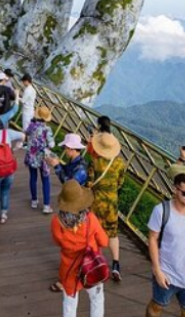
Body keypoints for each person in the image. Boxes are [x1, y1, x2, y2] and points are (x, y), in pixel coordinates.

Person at [146, 174, 185, 317]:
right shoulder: (161, 211)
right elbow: (152, 240)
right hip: (167, 271)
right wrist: (157, 270)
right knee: (156, 307)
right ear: (176, 190)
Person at [51, 179, 108, 317]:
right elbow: (104, 241)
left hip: (69, 268)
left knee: (69, 304)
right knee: (96, 299)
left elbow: (57, 241)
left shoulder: (56, 222)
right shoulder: (90, 219)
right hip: (91, 266)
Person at [88, 132, 126, 282]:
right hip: (112, 203)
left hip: (96, 202)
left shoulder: (95, 162)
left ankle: (97, 264)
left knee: (94, 233)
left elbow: (89, 183)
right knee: (113, 234)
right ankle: (116, 264)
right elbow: (120, 183)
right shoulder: (119, 163)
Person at [24, 106, 55, 214]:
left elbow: (26, 133)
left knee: (33, 177)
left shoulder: (32, 126)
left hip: (32, 155)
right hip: (43, 157)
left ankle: (34, 200)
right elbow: (52, 144)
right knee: (45, 179)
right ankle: (46, 205)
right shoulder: (48, 129)